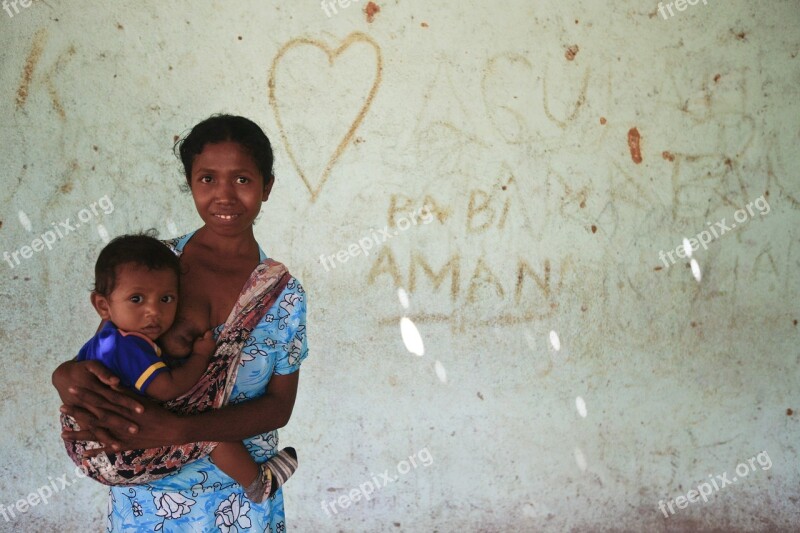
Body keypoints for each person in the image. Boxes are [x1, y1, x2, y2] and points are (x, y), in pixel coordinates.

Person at [52, 114, 308, 532]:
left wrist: (179, 428)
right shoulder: (152, 266)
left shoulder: (282, 295)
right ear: (191, 184)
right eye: (207, 179)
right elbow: (110, 347)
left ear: (267, 187)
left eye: (242, 180)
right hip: (148, 500)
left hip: (240, 500)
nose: (224, 195)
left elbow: (279, 406)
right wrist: (65, 375)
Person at [66, 232, 298, 503]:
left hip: (98, 444)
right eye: (137, 300)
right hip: (117, 450)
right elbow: (167, 388)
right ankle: (258, 483)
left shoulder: (108, 336)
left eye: (165, 299)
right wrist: (201, 356)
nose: (153, 311)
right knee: (210, 431)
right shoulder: (128, 346)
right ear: (102, 305)